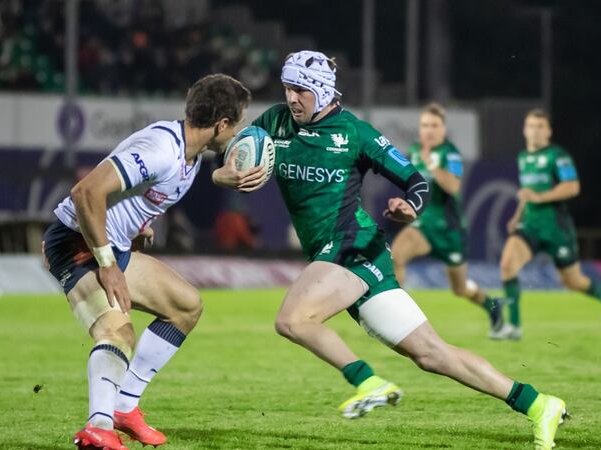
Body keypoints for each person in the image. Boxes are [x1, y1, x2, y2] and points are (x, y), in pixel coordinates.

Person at [214, 50, 568, 449]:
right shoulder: (275, 122)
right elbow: (226, 156)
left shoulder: (356, 134)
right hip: (334, 256)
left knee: (293, 320)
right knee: (433, 354)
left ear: (322, 90)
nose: (292, 98)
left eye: (301, 90)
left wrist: (410, 206)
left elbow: (417, 181)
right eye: (287, 88)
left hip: (353, 245)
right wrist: (222, 175)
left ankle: (368, 381)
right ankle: (539, 404)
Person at [43, 74, 253, 450]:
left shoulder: (189, 157)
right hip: (78, 244)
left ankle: (125, 407)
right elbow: (85, 191)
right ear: (221, 124)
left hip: (113, 244)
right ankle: (99, 425)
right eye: (236, 124)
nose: (236, 132)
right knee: (117, 333)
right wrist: (107, 265)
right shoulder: (161, 149)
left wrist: (139, 226)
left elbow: (136, 196)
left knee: (186, 306)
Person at [492, 109, 601, 340]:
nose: (535, 131)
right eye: (531, 126)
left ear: (549, 131)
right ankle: (514, 326)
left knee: (573, 281)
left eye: (541, 126)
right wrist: (517, 215)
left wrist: (540, 198)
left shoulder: (558, 156)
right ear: (525, 130)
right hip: (530, 225)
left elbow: (572, 187)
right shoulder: (523, 157)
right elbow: (528, 193)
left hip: (556, 229)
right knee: (507, 265)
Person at [391, 102, 502, 336]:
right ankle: (398, 319)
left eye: (434, 125)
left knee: (459, 289)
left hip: (450, 230)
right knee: (396, 257)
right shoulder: (414, 151)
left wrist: (431, 162)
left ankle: (492, 304)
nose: (429, 130)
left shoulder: (450, 154)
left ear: (443, 129)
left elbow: (453, 186)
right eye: (424, 125)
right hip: (424, 225)